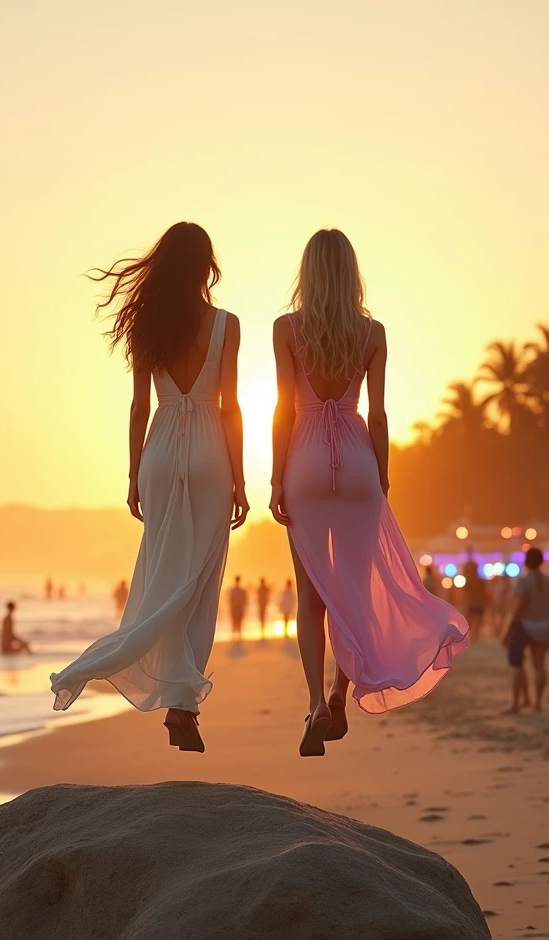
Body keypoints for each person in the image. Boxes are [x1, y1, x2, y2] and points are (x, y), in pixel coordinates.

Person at [50, 222, 248, 753]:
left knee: (164, 573)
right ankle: (183, 705)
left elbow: (140, 406)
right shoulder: (226, 324)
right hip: (210, 450)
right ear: (206, 263)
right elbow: (231, 408)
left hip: (159, 449)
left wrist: (134, 472)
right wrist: (241, 477)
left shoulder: (148, 325)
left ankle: (135, 672)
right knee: (200, 581)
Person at [270, 228, 468, 756]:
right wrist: (380, 479)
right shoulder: (372, 333)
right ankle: (339, 692)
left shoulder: (286, 329)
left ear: (308, 273)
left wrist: (274, 479)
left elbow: (284, 410)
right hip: (356, 459)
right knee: (351, 593)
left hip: (305, 462)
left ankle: (314, 704)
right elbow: (378, 414)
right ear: (351, 272)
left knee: (311, 594)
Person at [503, 548, 549, 713]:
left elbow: (518, 608)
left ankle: (517, 703)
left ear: (526, 561)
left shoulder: (523, 581)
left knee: (516, 664)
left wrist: (507, 630)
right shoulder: (547, 580)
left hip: (525, 626)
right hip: (544, 627)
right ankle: (537, 704)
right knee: (539, 665)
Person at [461, 550, 486, 641]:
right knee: (476, 620)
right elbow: (484, 592)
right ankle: (476, 635)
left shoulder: (470, 580)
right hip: (477, 602)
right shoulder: (480, 580)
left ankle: (473, 635)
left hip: (472, 602)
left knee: (471, 620)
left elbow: (466, 591)